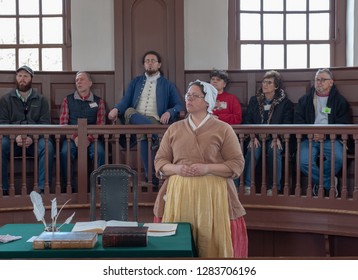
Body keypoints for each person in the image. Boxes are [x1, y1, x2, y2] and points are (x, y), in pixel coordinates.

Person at [153, 80, 248, 258]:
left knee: (210, 247)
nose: (189, 99)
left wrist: (207, 168)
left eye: (195, 96)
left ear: (208, 102)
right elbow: (160, 161)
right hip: (179, 194)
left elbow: (236, 164)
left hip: (214, 196)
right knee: (178, 246)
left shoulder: (223, 129)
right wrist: (177, 168)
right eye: (188, 95)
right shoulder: (174, 128)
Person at [108, 50, 183, 186]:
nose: (150, 63)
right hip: (134, 117)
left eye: (153, 61)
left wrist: (170, 112)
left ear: (159, 64)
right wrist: (116, 109)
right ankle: (157, 136)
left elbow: (178, 105)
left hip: (155, 120)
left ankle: (152, 177)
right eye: (147, 61)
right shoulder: (136, 82)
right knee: (130, 111)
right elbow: (125, 100)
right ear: (144, 65)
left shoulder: (167, 84)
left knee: (143, 134)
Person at [294, 68, 351, 197]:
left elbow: (344, 123)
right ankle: (328, 183)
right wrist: (309, 133)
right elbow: (297, 120)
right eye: (317, 79)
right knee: (303, 161)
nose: (319, 82)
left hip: (331, 137)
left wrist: (327, 134)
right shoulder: (305, 100)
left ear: (331, 82)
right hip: (309, 137)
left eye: (323, 80)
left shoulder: (340, 101)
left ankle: (317, 182)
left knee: (338, 158)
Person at [0, 65, 54, 195]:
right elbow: (3, 123)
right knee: (1, 146)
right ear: (16, 78)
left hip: (35, 141)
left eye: (25, 76)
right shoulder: (5, 100)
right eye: (19, 76)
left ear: (31, 79)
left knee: (48, 147)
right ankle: (3, 189)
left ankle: (43, 189)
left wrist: (31, 137)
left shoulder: (41, 100)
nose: (22, 79)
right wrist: (15, 136)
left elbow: (45, 124)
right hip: (12, 141)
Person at [243, 70, 293, 195]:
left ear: (276, 86)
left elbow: (287, 123)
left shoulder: (284, 103)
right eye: (264, 82)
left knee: (274, 151)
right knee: (252, 150)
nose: (265, 85)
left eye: (269, 82)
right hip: (257, 137)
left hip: (274, 137)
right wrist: (252, 136)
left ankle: (273, 187)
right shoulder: (254, 100)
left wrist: (277, 137)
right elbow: (248, 120)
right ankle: (247, 186)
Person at [59, 71, 106, 192]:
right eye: (77, 80)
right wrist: (75, 137)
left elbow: (100, 124)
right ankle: (69, 188)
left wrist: (88, 139)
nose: (78, 82)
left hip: (92, 138)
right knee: (65, 153)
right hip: (72, 138)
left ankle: (98, 188)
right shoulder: (67, 100)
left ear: (90, 83)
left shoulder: (99, 101)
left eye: (82, 79)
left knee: (100, 152)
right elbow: (63, 123)